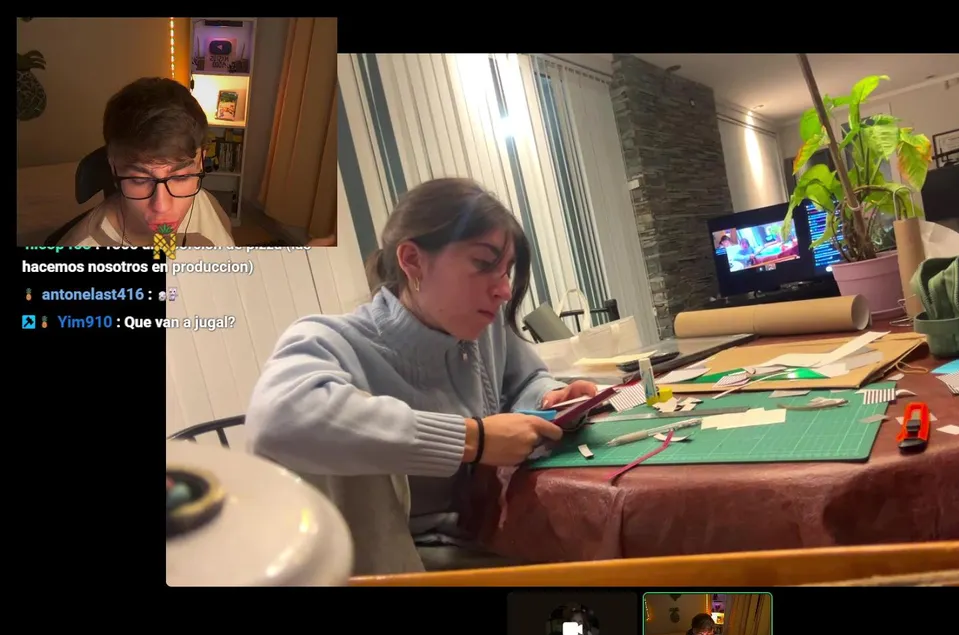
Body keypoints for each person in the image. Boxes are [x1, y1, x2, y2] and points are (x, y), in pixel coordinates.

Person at [244, 177, 598, 575]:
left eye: (506, 271)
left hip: (490, 531)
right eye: (484, 264)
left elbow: (526, 380)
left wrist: (550, 397)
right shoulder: (330, 340)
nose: (503, 290)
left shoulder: (484, 327)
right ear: (412, 260)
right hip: (399, 565)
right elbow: (276, 421)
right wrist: (474, 439)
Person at [59, 77, 235, 248]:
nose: (162, 207)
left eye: (181, 177)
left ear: (201, 162)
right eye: (140, 180)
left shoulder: (205, 204)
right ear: (114, 167)